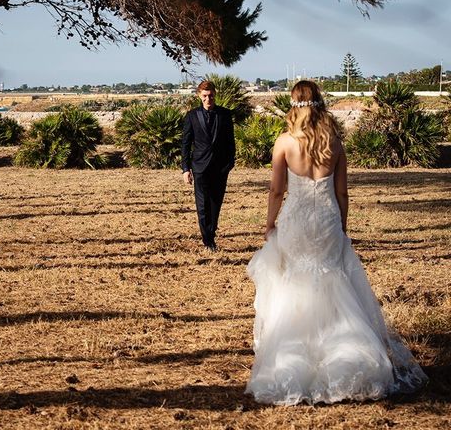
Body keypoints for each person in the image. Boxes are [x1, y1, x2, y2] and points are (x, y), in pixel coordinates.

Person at [245, 80, 427, 405]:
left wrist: (270, 222)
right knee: (333, 281)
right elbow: (342, 193)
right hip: (327, 221)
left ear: (293, 104)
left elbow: (276, 190)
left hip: (297, 222)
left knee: (295, 282)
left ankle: (293, 358)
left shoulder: (285, 142)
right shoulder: (335, 142)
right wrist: (341, 226)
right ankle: (349, 357)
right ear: (319, 103)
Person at [181, 80, 235, 251]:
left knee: (215, 203)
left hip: (220, 168)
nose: (208, 99)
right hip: (199, 167)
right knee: (203, 204)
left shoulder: (225, 115)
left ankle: (211, 232)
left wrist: (229, 163)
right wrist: (185, 169)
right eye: (204, 96)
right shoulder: (191, 116)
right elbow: (185, 144)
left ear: (215, 95)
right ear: (199, 96)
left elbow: (230, 142)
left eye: (210, 95)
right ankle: (208, 240)